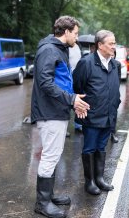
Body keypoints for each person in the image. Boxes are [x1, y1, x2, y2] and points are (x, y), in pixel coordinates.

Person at [31, 15, 90, 218]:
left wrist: (74, 102)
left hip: (58, 110)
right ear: (66, 32)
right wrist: (72, 100)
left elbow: (62, 83)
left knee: (54, 155)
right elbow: (45, 83)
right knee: (49, 156)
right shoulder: (49, 50)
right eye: (75, 32)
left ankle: (49, 195)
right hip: (49, 113)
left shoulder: (59, 50)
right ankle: (42, 203)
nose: (77, 36)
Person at [72, 30, 120, 195]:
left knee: (102, 147)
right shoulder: (86, 63)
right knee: (90, 148)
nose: (114, 46)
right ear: (100, 45)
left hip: (108, 115)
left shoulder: (115, 65)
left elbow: (115, 89)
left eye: (115, 43)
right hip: (92, 115)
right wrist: (84, 105)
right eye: (111, 43)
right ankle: (89, 182)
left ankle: (99, 178)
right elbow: (77, 87)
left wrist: (115, 105)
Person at [110, 50, 122, 143]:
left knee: (114, 114)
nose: (111, 55)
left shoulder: (117, 64)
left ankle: (112, 133)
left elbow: (118, 80)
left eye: (113, 54)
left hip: (114, 93)